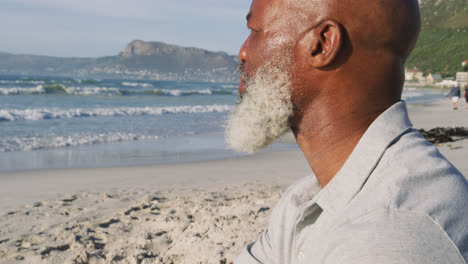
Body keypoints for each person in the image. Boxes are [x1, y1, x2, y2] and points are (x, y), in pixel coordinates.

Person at [226, 0, 468, 263]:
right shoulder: (304, 201)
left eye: (255, 30)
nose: (242, 52)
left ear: (322, 44)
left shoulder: (391, 232)